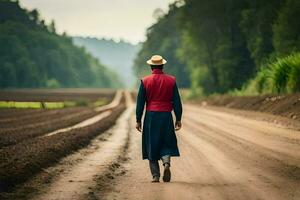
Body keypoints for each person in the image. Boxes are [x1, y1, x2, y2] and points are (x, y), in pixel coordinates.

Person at [135, 55, 182, 183]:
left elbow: (140, 103)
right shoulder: (171, 80)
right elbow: (177, 101)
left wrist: (138, 119)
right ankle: (166, 163)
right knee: (166, 142)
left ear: (151, 66)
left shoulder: (145, 81)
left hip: (151, 116)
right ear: (162, 66)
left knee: (152, 144)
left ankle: (155, 175)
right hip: (166, 116)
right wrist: (178, 118)